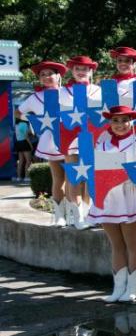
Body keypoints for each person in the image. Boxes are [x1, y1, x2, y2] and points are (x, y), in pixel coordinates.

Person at [88, 105, 136, 304]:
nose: (120, 125)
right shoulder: (102, 143)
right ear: (109, 123)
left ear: (131, 122)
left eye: (124, 120)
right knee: (116, 245)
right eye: (115, 121)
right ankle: (118, 287)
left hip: (131, 195)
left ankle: (134, 287)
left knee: (131, 243)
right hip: (108, 197)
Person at [17, 61, 68, 223]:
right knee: (58, 179)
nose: (46, 77)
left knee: (75, 180)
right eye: (42, 75)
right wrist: (35, 120)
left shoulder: (68, 92)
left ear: (58, 75)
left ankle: (77, 213)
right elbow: (18, 113)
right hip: (51, 142)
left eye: (49, 73)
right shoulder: (34, 97)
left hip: (72, 140)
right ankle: (59, 215)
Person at [62, 55, 102, 230]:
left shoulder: (98, 90)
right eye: (77, 68)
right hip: (70, 139)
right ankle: (76, 214)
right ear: (72, 70)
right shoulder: (62, 91)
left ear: (91, 71)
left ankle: (87, 213)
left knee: (90, 177)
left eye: (85, 68)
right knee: (74, 177)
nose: (81, 72)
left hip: (92, 139)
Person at [14, 112, 34, 184]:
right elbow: (26, 136)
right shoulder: (25, 124)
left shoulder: (16, 125)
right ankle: (26, 177)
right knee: (28, 161)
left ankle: (18, 177)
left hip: (18, 143)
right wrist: (31, 145)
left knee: (21, 161)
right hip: (24, 143)